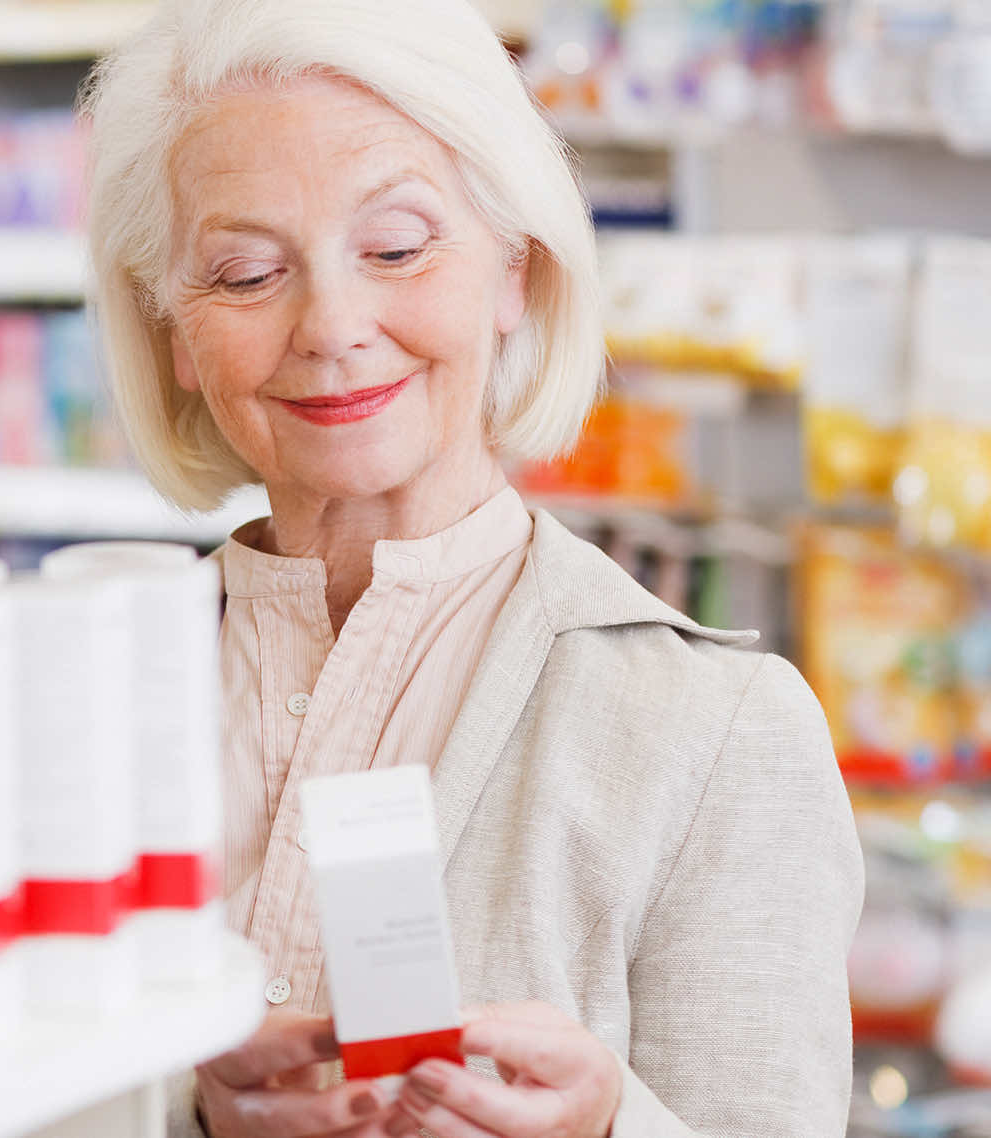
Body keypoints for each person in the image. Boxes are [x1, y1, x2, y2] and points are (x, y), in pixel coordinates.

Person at [79, 0, 862, 1135]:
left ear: (513, 270)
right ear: (171, 337)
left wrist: (607, 1129)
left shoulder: (714, 731)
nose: (333, 324)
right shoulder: (74, 704)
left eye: (396, 248)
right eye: (246, 273)